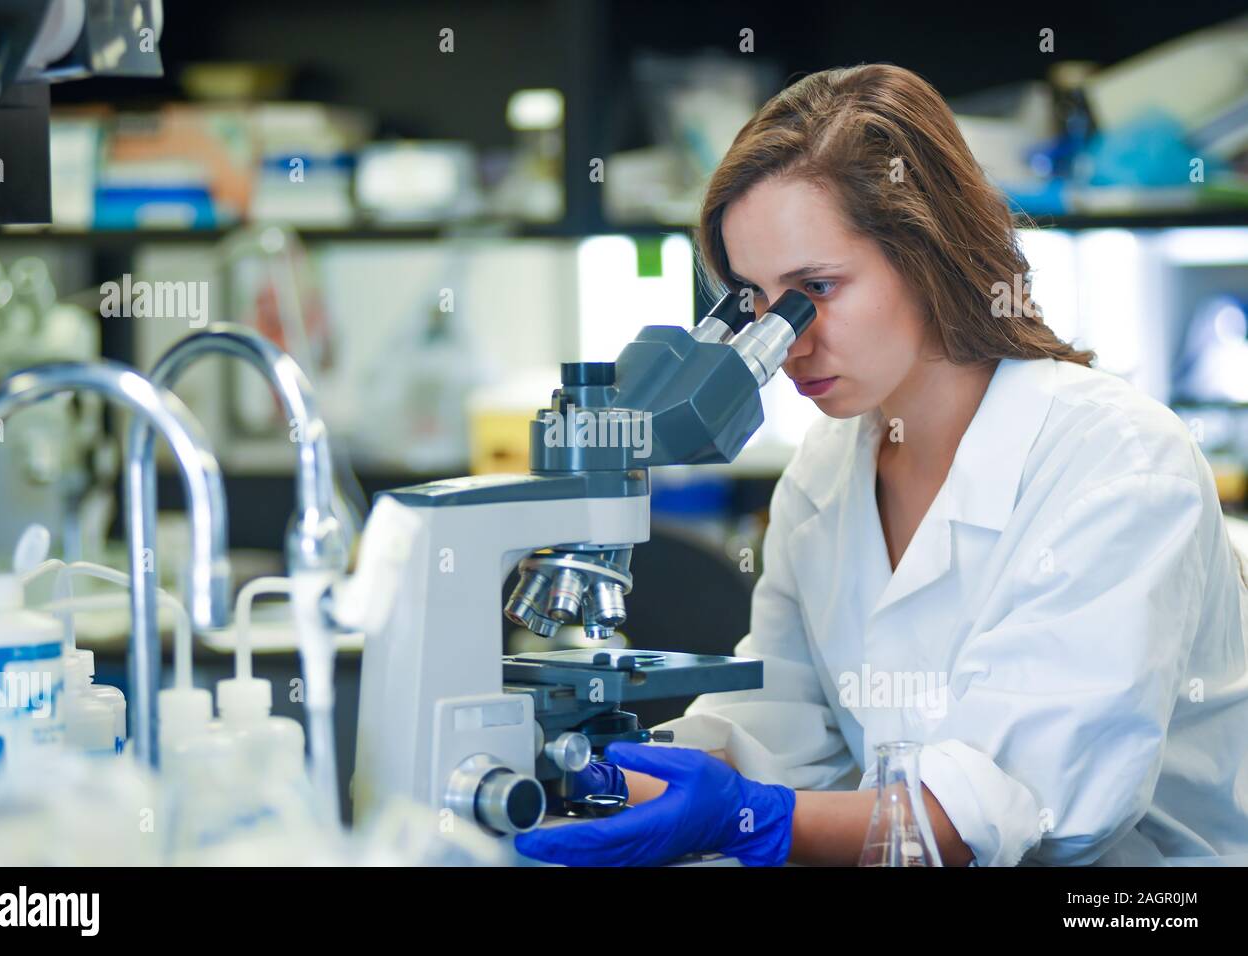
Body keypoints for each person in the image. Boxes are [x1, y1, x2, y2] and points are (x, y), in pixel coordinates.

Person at [514, 63, 1248, 867]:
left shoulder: (1118, 462)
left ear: (925, 251)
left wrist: (745, 819)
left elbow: (1022, 812)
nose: (787, 341)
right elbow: (785, 737)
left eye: (815, 289)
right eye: (755, 303)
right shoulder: (828, 469)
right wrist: (598, 777)